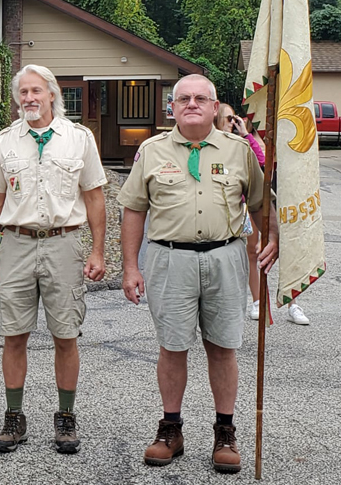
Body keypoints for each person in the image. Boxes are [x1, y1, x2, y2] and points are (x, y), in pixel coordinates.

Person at [118, 74, 279, 473]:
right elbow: (134, 209)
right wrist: (130, 267)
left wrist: (275, 235)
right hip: (169, 259)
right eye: (183, 98)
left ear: (213, 106)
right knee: (172, 347)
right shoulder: (151, 151)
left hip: (225, 257)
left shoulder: (240, 151)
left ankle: (225, 431)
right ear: (171, 107)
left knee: (223, 347)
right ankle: (170, 429)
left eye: (200, 98)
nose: (191, 104)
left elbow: (261, 201)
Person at [0, 64, 107, 455]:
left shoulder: (78, 139)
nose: (30, 98)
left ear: (52, 94)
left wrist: (98, 249)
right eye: (23, 92)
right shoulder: (6, 141)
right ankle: (14, 416)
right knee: (13, 334)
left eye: (37, 91)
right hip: (17, 243)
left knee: (65, 334)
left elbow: (95, 197)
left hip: (63, 243)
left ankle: (66, 416)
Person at [217, 104, 309, 326]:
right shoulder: (232, 142)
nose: (233, 121)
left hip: (281, 197)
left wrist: (246, 135)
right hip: (250, 202)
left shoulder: (268, 136)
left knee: (286, 249)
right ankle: (258, 301)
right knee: (253, 251)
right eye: (227, 118)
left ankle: (292, 302)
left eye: (234, 118)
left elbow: (264, 163)